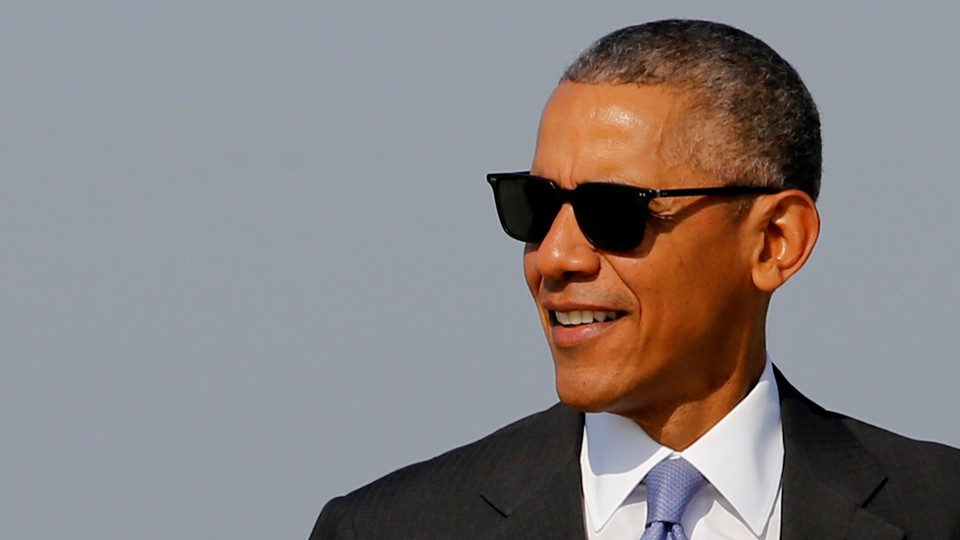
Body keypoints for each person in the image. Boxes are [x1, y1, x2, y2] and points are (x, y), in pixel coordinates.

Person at [311, 19, 960, 539]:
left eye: (611, 211)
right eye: (534, 206)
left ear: (774, 242)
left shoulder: (938, 511)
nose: (556, 256)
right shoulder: (386, 527)